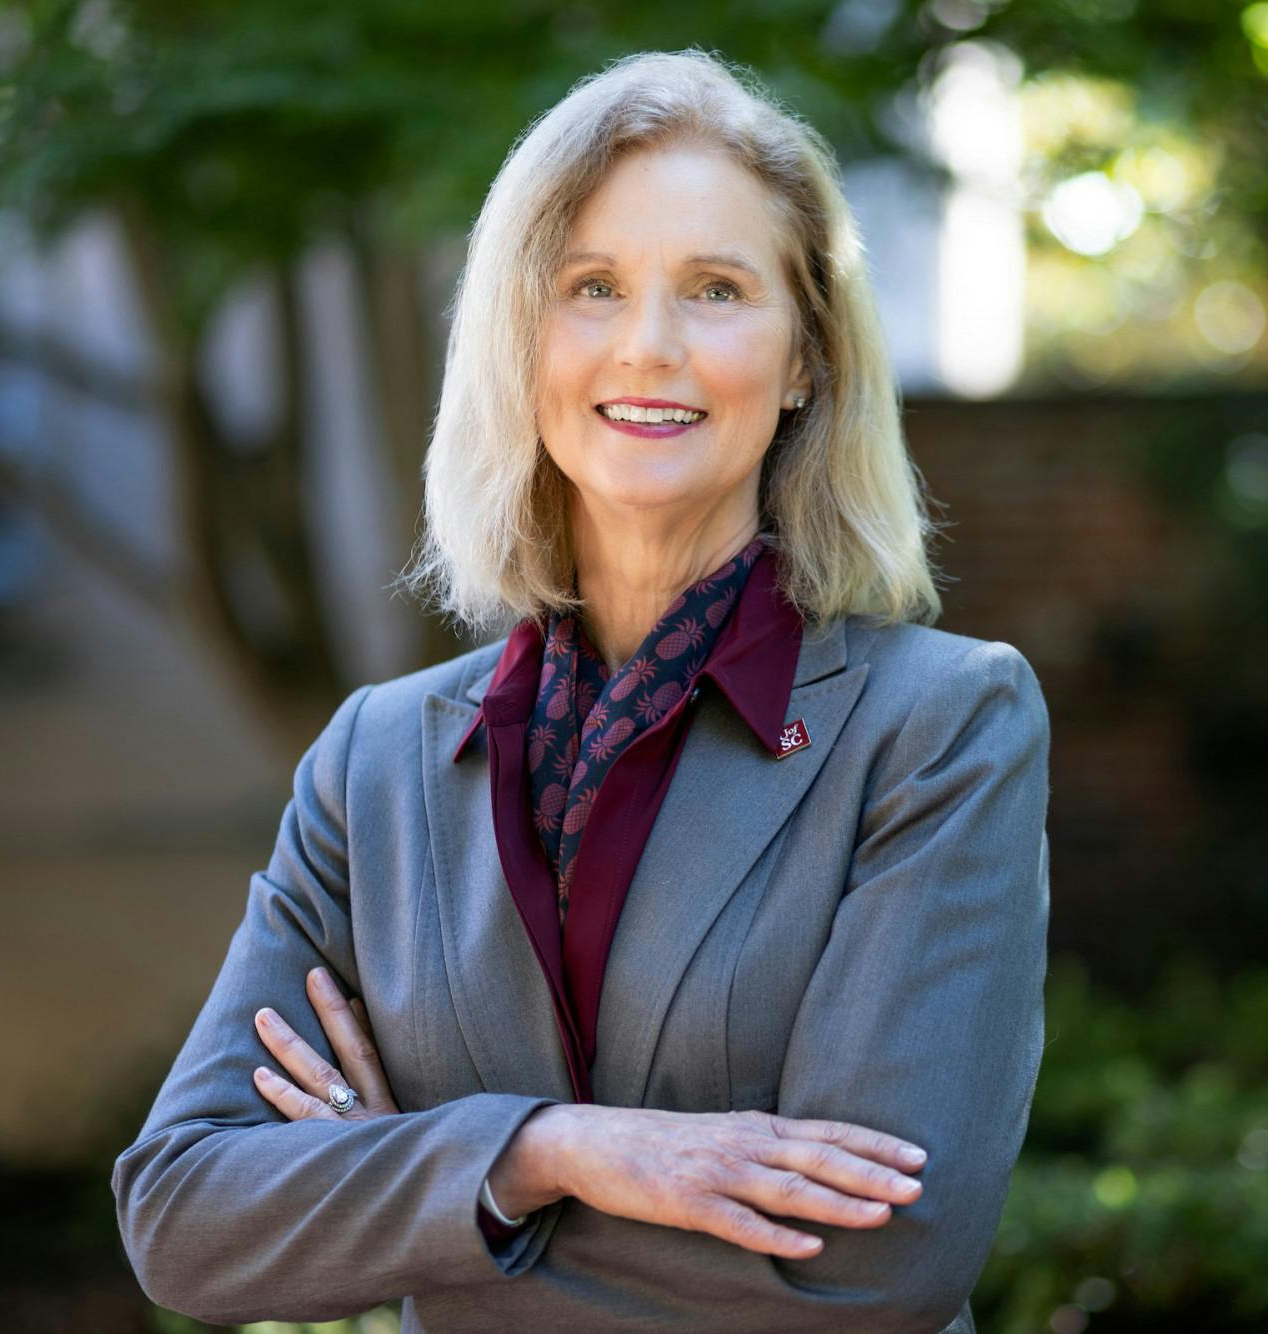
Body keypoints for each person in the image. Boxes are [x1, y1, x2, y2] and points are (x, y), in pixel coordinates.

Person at [112, 46, 1050, 1334]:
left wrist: (408, 1181)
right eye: (592, 287)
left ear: (807, 359)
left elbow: (873, 1264)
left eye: (716, 289)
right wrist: (550, 1152)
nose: (648, 347)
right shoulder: (375, 761)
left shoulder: (939, 727)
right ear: (523, 340)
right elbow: (185, 1220)